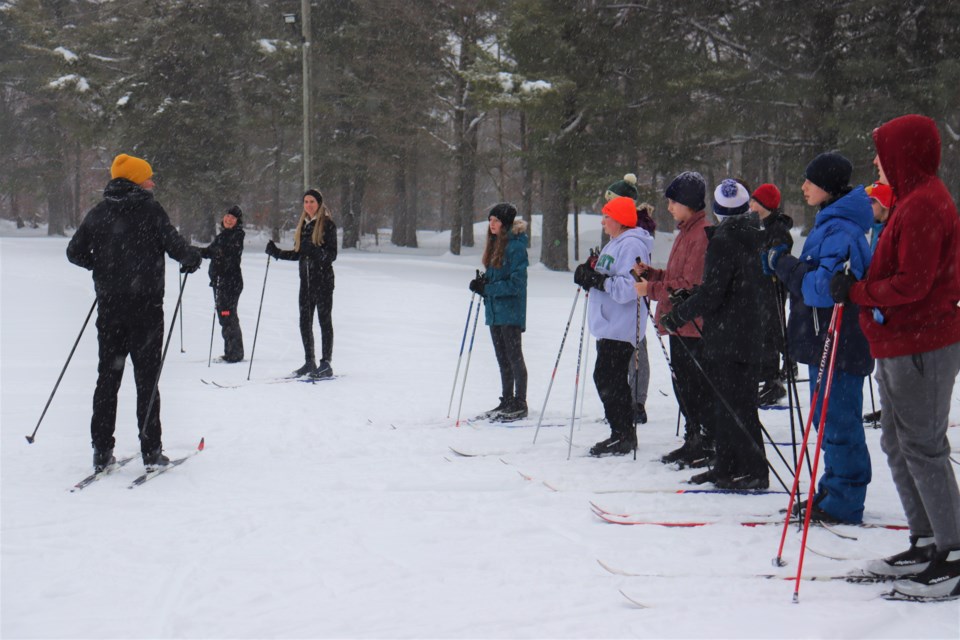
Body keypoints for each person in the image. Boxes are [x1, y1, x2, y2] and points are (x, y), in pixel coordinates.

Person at [830, 115, 960, 601]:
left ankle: (954, 550)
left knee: (923, 445)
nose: (876, 163)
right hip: (899, 342)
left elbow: (914, 283)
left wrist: (859, 291)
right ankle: (927, 540)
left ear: (904, 154)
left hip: (923, 344)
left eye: (882, 153)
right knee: (898, 442)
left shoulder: (925, 203)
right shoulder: (910, 200)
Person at [66, 153, 202, 471]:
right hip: (146, 310)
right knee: (147, 380)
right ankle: (151, 450)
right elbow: (174, 243)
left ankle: (101, 450)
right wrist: (190, 257)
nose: (152, 182)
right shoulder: (150, 209)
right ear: (135, 180)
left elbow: (74, 252)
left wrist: (101, 266)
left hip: (111, 310)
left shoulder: (99, 212)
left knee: (108, 379)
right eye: (148, 177)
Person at [768, 152, 874, 522]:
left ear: (827, 186)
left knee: (838, 420)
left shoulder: (842, 230)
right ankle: (833, 488)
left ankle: (845, 500)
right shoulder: (829, 225)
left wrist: (785, 265)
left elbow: (821, 290)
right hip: (823, 342)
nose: (803, 187)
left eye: (809, 181)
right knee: (826, 419)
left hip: (841, 343)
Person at [658, 179, 768, 489]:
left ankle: (750, 470)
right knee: (731, 403)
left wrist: (678, 313)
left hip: (729, 333)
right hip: (743, 331)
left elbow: (713, 291)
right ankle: (729, 464)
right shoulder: (751, 235)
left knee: (734, 405)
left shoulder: (725, 239)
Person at [634, 171, 711, 467]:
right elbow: (677, 277)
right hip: (679, 323)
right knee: (683, 386)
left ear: (687, 202)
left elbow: (689, 285)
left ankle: (703, 441)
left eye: (673, 202)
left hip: (692, 325)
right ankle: (693, 438)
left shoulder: (700, 234)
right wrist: (653, 274)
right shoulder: (685, 231)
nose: (669, 208)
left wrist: (650, 289)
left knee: (693, 387)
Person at [574, 196, 654, 456]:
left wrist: (599, 281)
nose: (603, 221)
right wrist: (591, 270)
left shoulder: (631, 245)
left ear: (619, 219)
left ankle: (623, 434)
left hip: (621, 326)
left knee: (610, 379)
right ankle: (621, 432)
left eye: (607, 216)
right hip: (609, 324)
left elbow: (629, 287)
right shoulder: (615, 243)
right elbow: (608, 272)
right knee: (608, 378)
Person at [265, 189, 338, 379]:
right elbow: (299, 253)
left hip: (323, 281)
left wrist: (314, 251)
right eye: (305, 202)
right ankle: (309, 361)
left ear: (319, 203)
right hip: (305, 282)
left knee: (324, 321)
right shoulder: (304, 225)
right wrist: (277, 253)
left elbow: (331, 255)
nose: (308, 205)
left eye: (312, 201)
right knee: (305, 322)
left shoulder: (327, 224)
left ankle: (326, 364)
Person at [469, 203, 529, 421]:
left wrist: (489, 289)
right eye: (490, 220)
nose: (491, 224)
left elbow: (517, 284)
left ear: (504, 223)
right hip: (495, 312)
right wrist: (483, 284)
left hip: (510, 312)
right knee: (502, 358)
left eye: (495, 220)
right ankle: (507, 399)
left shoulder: (515, 247)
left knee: (514, 357)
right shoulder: (495, 244)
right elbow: (497, 279)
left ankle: (520, 402)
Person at [604, 173, 653, 423]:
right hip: (613, 308)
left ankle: (637, 402)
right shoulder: (618, 228)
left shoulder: (637, 227)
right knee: (616, 359)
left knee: (636, 348)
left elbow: (635, 266)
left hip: (634, 299)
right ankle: (624, 402)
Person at [751, 183, 794, 406]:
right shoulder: (763, 226)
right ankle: (769, 373)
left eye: (755, 203)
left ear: (766, 205)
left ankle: (773, 379)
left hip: (773, 287)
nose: (751, 206)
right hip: (761, 287)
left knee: (771, 331)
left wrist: (771, 257)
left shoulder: (777, 228)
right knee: (764, 331)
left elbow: (781, 253)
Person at [861, 182, 894, 426]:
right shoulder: (875, 227)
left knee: (891, 365)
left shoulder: (890, 229)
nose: (867, 206)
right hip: (878, 304)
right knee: (882, 367)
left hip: (888, 304)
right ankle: (887, 408)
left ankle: (893, 410)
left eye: (872, 202)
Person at [198, 205, 245, 363]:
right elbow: (209, 252)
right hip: (219, 283)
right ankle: (230, 351)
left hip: (230, 283)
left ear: (237, 221)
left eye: (232, 217)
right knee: (224, 316)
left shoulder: (237, 235)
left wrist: (219, 255)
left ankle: (235, 353)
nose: (229, 219)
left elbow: (229, 254)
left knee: (227, 315)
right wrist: (190, 251)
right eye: (227, 216)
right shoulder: (222, 236)